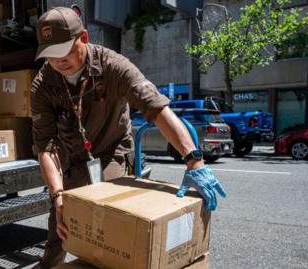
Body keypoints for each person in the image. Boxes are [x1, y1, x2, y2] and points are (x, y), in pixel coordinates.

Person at [30, 7, 227, 268]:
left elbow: (156, 108)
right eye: (50, 54)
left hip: (111, 152)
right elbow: (46, 147)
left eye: (64, 50)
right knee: (61, 229)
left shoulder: (113, 66)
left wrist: (194, 160)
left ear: (84, 38)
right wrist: (58, 196)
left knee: (108, 221)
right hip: (71, 161)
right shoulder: (43, 85)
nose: (58, 61)